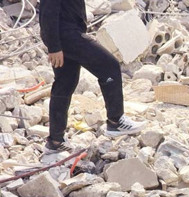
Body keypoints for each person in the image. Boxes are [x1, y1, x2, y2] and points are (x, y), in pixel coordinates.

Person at [39, 0, 145, 154]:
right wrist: (54, 47)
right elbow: (47, 12)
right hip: (67, 34)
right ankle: (116, 121)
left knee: (65, 83)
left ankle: (55, 141)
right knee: (110, 67)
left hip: (67, 33)